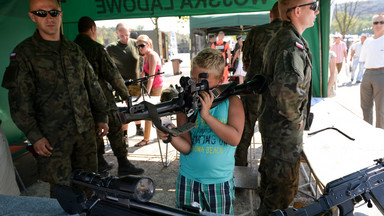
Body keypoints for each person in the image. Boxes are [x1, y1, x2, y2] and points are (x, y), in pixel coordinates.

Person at [1, 0, 109, 198]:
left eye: (53, 12)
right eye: (41, 13)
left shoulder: (74, 50)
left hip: (85, 134)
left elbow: (92, 85)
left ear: (61, 14)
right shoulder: (24, 53)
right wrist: (34, 135)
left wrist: (102, 115)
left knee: (89, 185)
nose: (48, 17)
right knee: (63, 194)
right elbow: (19, 101)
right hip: (52, 140)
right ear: (32, 16)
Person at [157, 48, 244, 215]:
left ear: (221, 80)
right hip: (188, 179)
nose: (195, 84)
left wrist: (207, 116)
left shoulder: (233, 102)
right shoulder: (186, 105)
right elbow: (187, 147)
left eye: (202, 80)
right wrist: (170, 136)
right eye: (193, 78)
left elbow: (234, 139)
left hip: (219, 182)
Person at [258, 0, 318, 215]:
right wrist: (297, 119)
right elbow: (287, 95)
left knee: (271, 184)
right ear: (297, 11)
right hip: (283, 131)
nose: (317, 11)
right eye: (314, 6)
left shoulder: (284, 39)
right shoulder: (290, 44)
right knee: (282, 192)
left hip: (275, 127)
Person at [74, 16, 144, 176]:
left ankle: (99, 161)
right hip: (100, 95)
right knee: (114, 125)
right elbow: (112, 74)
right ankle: (123, 163)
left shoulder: (71, 48)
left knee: (93, 127)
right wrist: (125, 95)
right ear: (92, 28)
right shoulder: (95, 48)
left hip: (78, 98)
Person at [235, 2, 282, 167]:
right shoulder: (291, 35)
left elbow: (245, 63)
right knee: (271, 135)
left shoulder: (256, 32)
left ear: (271, 14)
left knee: (245, 129)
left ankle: (239, 169)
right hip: (277, 94)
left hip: (253, 89)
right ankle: (267, 172)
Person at [106, 23, 144, 141]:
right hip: (121, 84)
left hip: (135, 82)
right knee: (125, 110)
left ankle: (139, 127)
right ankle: (125, 134)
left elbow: (146, 54)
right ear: (116, 33)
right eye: (121, 35)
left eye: (126, 35)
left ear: (130, 32)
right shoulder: (112, 47)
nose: (124, 38)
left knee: (136, 107)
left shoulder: (135, 43)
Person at [134, 34, 164, 147]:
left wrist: (145, 94)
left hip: (155, 86)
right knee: (153, 112)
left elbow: (151, 77)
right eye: (138, 46)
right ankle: (158, 135)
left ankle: (146, 139)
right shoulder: (146, 55)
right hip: (151, 85)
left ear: (148, 44)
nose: (140, 48)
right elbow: (143, 73)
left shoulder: (152, 55)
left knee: (149, 112)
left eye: (142, 45)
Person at [359, 14, 384, 129]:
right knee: (365, 106)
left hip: (382, 74)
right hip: (367, 73)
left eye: (381, 22)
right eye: (376, 22)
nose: (378, 25)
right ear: (372, 25)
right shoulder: (367, 41)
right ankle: (367, 131)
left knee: (381, 109)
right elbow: (364, 60)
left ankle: (380, 134)